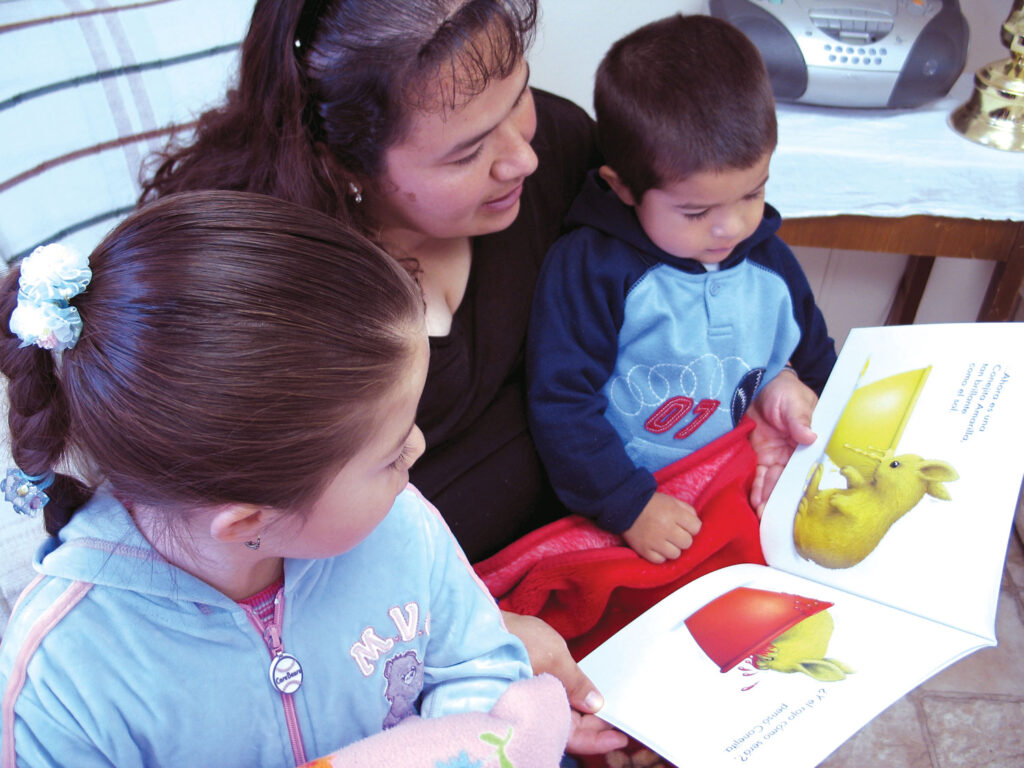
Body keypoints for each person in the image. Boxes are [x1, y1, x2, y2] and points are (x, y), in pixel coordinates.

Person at [138, 0, 818, 742]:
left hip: (610, 568)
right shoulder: (260, 294)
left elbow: (702, 278)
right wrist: (474, 638)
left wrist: (762, 389)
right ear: (342, 162)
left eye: (519, 94)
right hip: (414, 644)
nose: (518, 157)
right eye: (465, 154)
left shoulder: (558, 155)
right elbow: (225, 565)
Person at [0, 191, 572, 767]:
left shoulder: (402, 527)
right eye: (391, 452)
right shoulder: (65, 679)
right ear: (248, 520)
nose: (418, 448)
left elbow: (480, 669)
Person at [526, 14, 837, 564]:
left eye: (753, 193)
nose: (733, 228)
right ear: (620, 187)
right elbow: (561, 404)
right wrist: (627, 505)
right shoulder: (590, 269)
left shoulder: (771, 265)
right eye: (696, 211)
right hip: (622, 507)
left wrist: (797, 394)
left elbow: (816, 362)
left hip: (738, 483)